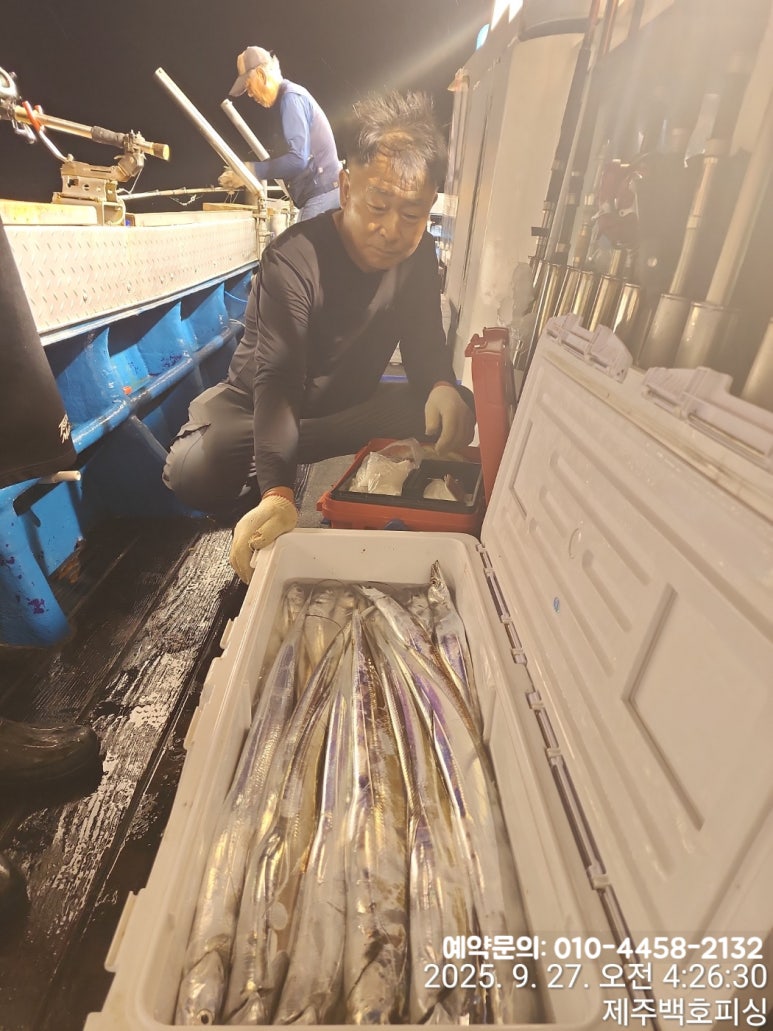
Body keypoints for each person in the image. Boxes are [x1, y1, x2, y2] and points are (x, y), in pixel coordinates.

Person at [164, 90, 476, 584]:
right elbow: (278, 380)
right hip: (257, 405)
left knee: (457, 405)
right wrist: (279, 493)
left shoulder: (418, 258)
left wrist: (440, 383)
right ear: (346, 188)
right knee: (193, 471)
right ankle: (270, 460)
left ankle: (279, 455)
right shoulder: (293, 259)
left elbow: (424, 346)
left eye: (412, 214)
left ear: (430, 205)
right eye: (378, 205)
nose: (391, 230)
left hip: (344, 409)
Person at [219, 46, 342, 221]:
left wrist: (250, 170)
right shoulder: (289, 97)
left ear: (261, 75)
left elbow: (298, 160)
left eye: (248, 86)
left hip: (322, 194)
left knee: (298, 239)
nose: (250, 95)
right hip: (324, 193)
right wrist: (243, 175)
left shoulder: (291, 98)